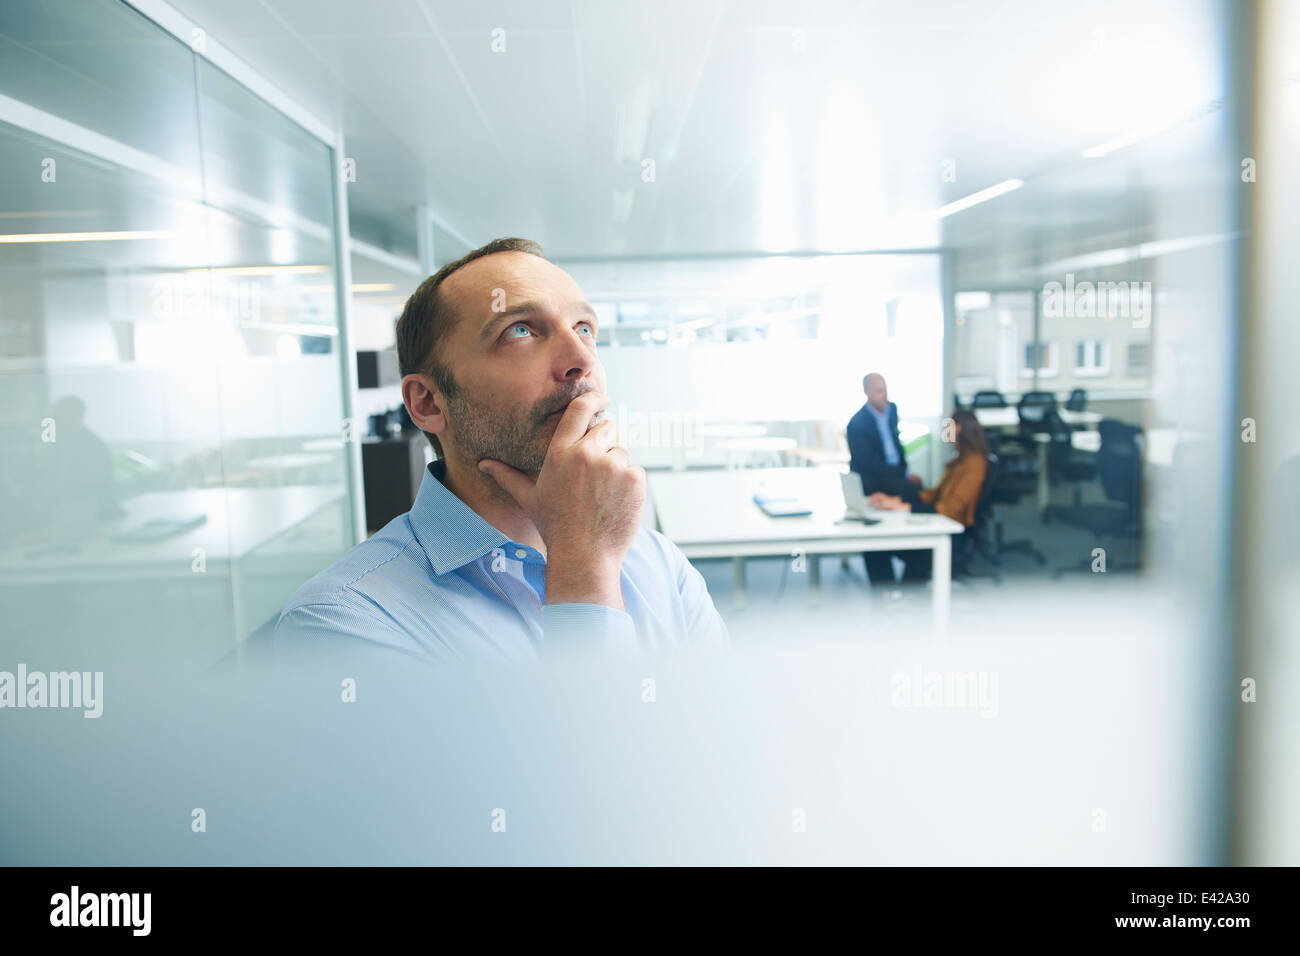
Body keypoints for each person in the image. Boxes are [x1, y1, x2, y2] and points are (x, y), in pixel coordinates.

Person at [274, 238, 727, 663]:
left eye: (584, 327)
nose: (582, 359)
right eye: (520, 331)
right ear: (428, 403)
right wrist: (582, 570)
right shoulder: (340, 621)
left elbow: (719, 741)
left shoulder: (657, 561)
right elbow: (597, 747)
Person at [864, 409, 989, 584]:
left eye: (948, 427)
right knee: (873, 546)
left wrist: (905, 507)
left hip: (951, 533)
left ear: (959, 429)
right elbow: (935, 494)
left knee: (878, 548)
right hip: (941, 521)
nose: (945, 432)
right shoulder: (959, 460)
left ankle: (895, 597)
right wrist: (896, 501)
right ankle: (889, 596)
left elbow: (951, 509)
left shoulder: (974, 463)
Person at [846, 373, 922, 504]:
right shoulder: (857, 424)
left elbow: (896, 444)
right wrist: (900, 475)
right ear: (867, 392)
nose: (884, 395)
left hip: (895, 474)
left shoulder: (891, 410)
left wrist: (905, 473)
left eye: (885, 390)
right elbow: (869, 464)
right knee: (915, 492)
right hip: (874, 479)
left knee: (919, 487)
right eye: (879, 391)